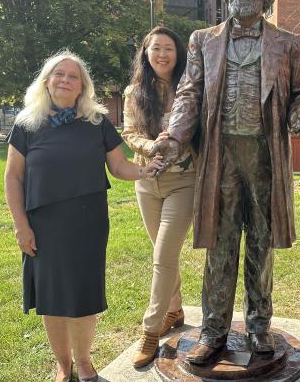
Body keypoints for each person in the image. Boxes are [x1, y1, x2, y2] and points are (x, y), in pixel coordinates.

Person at [151, 0, 300, 364]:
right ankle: (213, 330)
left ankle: (259, 327)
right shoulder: (203, 40)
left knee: (261, 245)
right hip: (220, 159)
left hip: (264, 159)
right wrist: (173, 138)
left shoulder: (289, 44)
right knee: (220, 247)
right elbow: (190, 94)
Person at [4, 50, 162, 382]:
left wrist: (146, 171)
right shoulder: (27, 124)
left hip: (88, 223)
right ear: (47, 81)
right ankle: (64, 366)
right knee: (51, 298)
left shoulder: (97, 123)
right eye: (58, 74)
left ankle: (85, 361)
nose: (64, 80)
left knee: (84, 295)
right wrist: (21, 226)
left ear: (82, 87)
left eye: (72, 76)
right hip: (43, 225)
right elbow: (13, 177)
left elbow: (118, 167)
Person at [121, 26, 196, 368]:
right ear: (146, 54)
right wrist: (153, 146)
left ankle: (151, 332)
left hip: (183, 181)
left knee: (163, 257)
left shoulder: (190, 89)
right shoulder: (135, 92)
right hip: (146, 182)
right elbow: (130, 132)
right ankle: (175, 310)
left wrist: (177, 141)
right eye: (155, 49)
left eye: (168, 48)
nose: (162, 54)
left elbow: (200, 128)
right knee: (161, 255)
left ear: (178, 53)